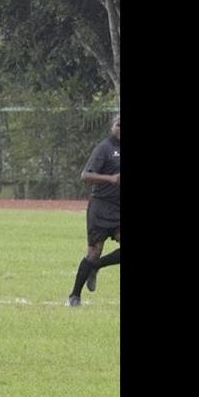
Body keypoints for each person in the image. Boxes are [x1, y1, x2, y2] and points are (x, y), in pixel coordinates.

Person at [67, 114, 120, 307]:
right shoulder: (104, 148)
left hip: (118, 208)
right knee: (93, 252)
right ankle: (74, 296)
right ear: (111, 127)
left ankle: (96, 267)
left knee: (95, 260)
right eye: (118, 125)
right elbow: (85, 175)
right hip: (100, 207)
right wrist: (111, 179)